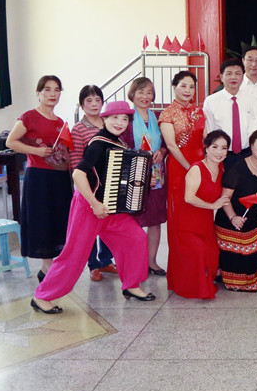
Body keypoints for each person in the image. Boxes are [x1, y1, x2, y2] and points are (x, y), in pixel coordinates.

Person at [31, 101, 157, 314]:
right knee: (74, 253)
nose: (119, 122)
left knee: (136, 238)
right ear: (104, 119)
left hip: (111, 208)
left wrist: (145, 181)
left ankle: (131, 285)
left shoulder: (119, 143)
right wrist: (94, 203)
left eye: (124, 119)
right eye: (115, 117)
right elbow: (78, 174)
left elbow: (120, 179)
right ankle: (42, 296)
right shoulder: (98, 143)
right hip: (88, 206)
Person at [5, 75, 72, 281]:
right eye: (48, 89)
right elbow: (10, 142)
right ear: (39, 93)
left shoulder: (60, 122)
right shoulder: (29, 117)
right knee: (42, 221)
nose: (53, 94)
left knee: (58, 221)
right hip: (39, 178)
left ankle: (50, 270)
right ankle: (46, 269)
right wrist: (36, 151)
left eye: (57, 90)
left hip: (60, 178)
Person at [215, 129, 257, 291]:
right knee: (240, 266)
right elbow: (225, 199)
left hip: (252, 219)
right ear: (251, 146)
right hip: (231, 220)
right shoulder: (237, 168)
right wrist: (233, 218)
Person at [160, 70, 208, 286]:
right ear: (175, 87)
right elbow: (171, 145)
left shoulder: (199, 111)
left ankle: (200, 269)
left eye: (191, 86)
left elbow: (205, 139)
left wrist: (206, 166)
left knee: (200, 215)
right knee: (180, 218)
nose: (188, 90)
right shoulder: (167, 113)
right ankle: (182, 274)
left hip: (199, 165)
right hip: (180, 168)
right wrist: (191, 168)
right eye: (183, 86)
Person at [169, 130, 230, 299]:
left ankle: (203, 282)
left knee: (212, 254)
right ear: (206, 148)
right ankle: (193, 287)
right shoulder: (196, 168)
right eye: (215, 147)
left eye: (224, 148)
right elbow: (189, 198)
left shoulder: (221, 169)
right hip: (186, 221)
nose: (219, 152)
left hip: (205, 222)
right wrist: (212, 205)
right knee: (199, 252)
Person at [122, 77, 169, 276]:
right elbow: (121, 145)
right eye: (141, 92)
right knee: (133, 220)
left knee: (155, 220)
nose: (145, 96)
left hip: (156, 174)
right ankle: (135, 262)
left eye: (149, 92)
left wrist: (163, 151)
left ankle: (152, 261)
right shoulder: (126, 118)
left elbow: (167, 142)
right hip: (134, 173)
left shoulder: (159, 117)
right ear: (132, 94)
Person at [70, 85, 117, 282]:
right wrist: (84, 188)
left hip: (109, 183)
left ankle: (106, 260)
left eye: (97, 100)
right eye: (89, 101)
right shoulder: (78, 129)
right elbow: (75, 161)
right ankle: (93, 265)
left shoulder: (109, 122)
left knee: (107, 223)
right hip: (89, 185)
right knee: (89, 228)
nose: (94, 104)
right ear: (82, 105)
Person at [203, 59, 255, 158]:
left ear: (243, 76)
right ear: (221, 77)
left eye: (237, 73)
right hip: (221, 155)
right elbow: (209, 130)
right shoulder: (211, 101)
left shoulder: (251, 100)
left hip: (248, 153)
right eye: (229, 73)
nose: (233, 77)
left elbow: (254, 127)